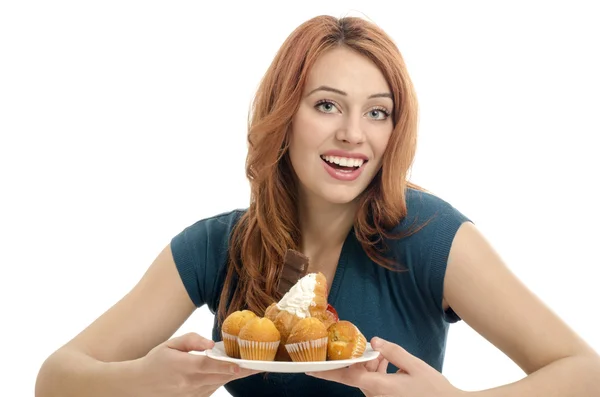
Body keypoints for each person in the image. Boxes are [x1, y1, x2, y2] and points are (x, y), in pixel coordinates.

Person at [35, 14, 599, 397]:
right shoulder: (217, 246)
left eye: (377, 112)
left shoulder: (429, 236)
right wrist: (144, 379)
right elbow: (56, 376)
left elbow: (585, 372)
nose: (354, 134)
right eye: (327, 105)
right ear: (285, 116)